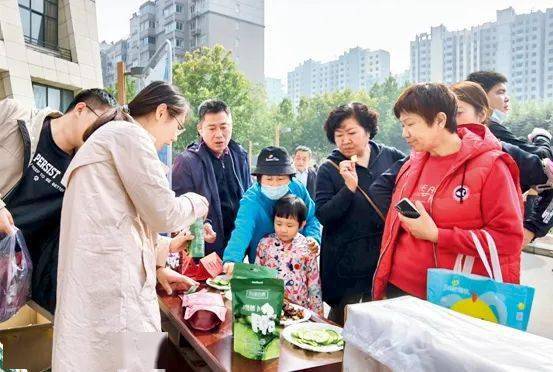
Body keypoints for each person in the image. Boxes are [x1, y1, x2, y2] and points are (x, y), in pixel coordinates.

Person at [52, 81, 210, 371]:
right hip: (114, 290)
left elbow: (119, 222)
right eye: (179, 125)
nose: (176, 137)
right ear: (162, 112)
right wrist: (199, 203)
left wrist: (162, 259)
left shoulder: (110, 137)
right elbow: (165, 213)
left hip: (101, 285)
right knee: (136, 364)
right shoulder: (129, 137)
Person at [372, 83, 523, 301]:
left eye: (410, 124)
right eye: (402, 125)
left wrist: (437, 235)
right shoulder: (411, 163)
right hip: (400, 288)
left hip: (454, 295)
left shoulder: (491, 166)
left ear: (441, 120)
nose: (405, 133)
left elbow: (508, 239)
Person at [0, 89, 117, 313]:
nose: (99, 137)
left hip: (10, 268)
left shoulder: (82, 171)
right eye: (99, 127)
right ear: (81, 109)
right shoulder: (14, 117)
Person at [315, 102, 405, 325]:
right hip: (346, 262)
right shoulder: (329, 168)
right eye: (338, 135)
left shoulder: (390, 156)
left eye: (351, 132)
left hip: (385, 256)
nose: (345, 140)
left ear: (368, 130)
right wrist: (349, 188)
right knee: (343, 324)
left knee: (383, 322)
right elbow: (324, 215)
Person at [452, 81, 553, 244]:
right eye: (499, 92)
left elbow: (543, 162)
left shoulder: (497, 142)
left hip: (490, 255)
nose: (506, 99)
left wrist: (531, 229)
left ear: (482, 112)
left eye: (457, 112)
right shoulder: (426, 154)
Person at [222, 146, 321, 275]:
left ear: (290, 178)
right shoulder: (251, 200)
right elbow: (242, 230)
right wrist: (232, 259)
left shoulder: (297, 188)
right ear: (259, 179)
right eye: (268, 179)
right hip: (263, 266)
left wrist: (313, 238)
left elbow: (311, 216)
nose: (274, 184)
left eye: (280, 179)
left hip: (296, 266)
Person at [172, 100, 251, 257]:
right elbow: (179, 210)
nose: (219, 134)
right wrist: (202, 224)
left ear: (231, 126)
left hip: (237, 247)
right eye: (212, 128)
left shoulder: (240, 155)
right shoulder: (187, 162)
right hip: (204, 249)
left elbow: (249, 197)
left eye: (223, 127)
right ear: (200, 129)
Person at [255, 195, 323, 316]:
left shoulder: (307, 248)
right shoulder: (264, 244)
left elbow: (313, 284)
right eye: (279, 223)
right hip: (268, 307)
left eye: (289, 225)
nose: (283, 229)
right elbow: (257, 276)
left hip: (298, 309)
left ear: (302, 224)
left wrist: (318, 315)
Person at [466, 71, 553, 159]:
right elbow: (541, 155)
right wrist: (542, 137)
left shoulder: (472, 126)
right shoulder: (489, 128)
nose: (507, 98)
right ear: (481, 96)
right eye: (500, 92)